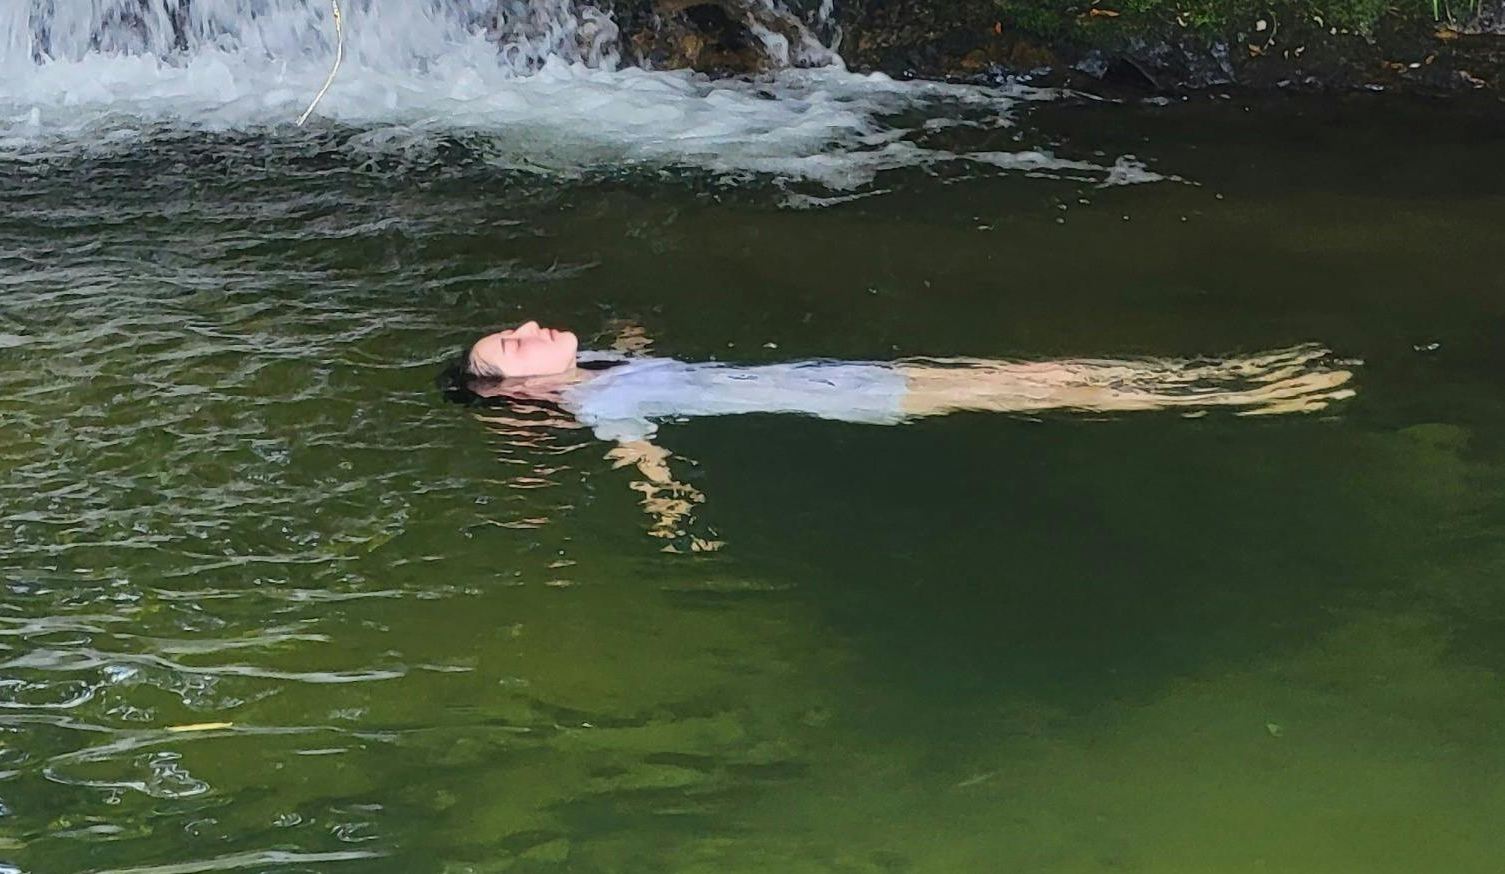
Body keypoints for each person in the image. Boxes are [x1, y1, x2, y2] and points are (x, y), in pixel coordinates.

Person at [442, 320, 1355, 540]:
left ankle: (1229, 382)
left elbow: (641, 369)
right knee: (1037, 390)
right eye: (514, 347)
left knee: (1038, 379)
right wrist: (674, 514)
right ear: (524, 397)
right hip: (847, 398)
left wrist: (629, 337)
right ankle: (1242, 396)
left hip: (834, 381)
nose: (528, 332)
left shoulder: (598, 368)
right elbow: (640, 453)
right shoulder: (594, 402)